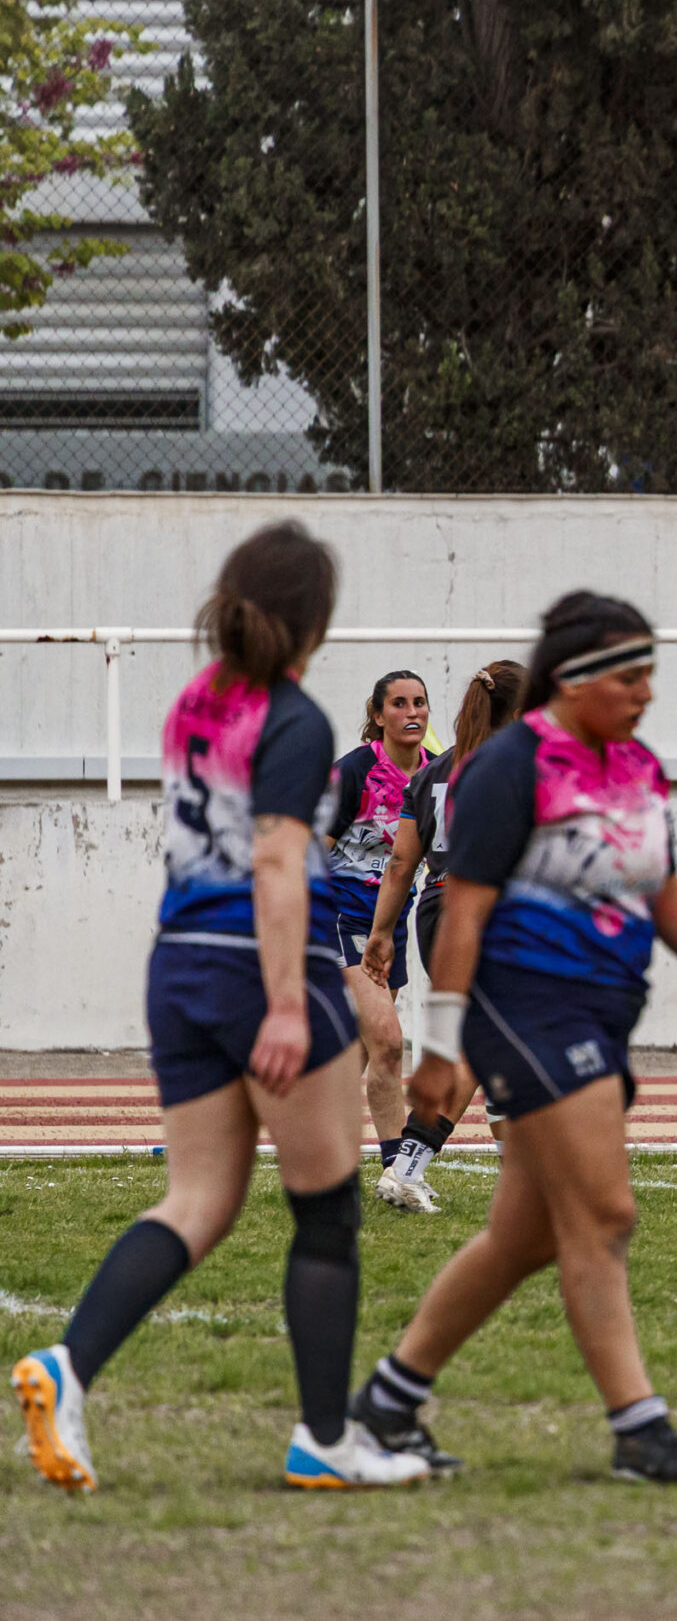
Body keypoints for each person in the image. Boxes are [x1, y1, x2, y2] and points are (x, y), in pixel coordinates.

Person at [13, 521, 431, 1493]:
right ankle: (326, 1439)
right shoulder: (296, 721)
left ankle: (67, 1369)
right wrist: (289, 1006)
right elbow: (280, 862)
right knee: (326, 1212)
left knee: (196, 1201)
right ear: (310, 620)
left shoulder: (194, 703)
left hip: (179, 971)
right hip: (254, 969)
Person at [345, 592, 677, 1484]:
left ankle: (384, 1405)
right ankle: (640, 1427)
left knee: (522, 1237)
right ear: (574, 678)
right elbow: (461, 904)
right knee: (605, 1213)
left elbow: (658, 888)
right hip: (525, 1008)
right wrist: (442, 1043)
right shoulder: (510, 765)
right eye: (632, 674)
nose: (647, 692)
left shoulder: (639, 766)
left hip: (595, 1011)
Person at [362, 659, 527, 1214]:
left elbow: (400, 865)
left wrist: (382, 932)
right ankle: (407, 1168)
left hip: (435, 908)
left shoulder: (430, 773)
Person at [321, 669, 435, 1166]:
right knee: (389, 1042)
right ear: (377, 715)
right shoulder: (352, 772)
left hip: (391, 924)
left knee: (362, 1051)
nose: (412, 713)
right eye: (399, 704)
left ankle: (312, 1139)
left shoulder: (436, 775)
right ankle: (400, 1168)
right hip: (343, 918)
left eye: (420, 703)